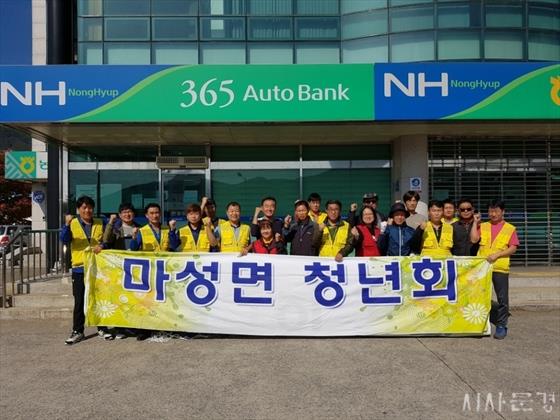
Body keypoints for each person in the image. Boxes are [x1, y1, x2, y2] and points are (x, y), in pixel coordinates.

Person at [470, 199, 519, 340]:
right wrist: (475, 223)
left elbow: (513, 248)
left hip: (500, 268)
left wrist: (498, 255)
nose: (493, 214)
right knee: (478, 295)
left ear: (502, 212)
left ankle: (501, 325)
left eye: (496, 211)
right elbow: (473, 240)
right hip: (483, 267)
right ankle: (478, 322)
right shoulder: (483, 226)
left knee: (502, 299)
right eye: (491, 211)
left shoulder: (510, 228)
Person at [60, 196, 105, 345]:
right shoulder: (72, 223)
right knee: (79, 301)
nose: (87, 210)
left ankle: (102, 327)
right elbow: (64, 239)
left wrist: (102, 246)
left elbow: (108, 238)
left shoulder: (100, 222)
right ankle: (78, 331)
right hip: (79, 268)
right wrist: (66, 225)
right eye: (84, 207)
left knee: (99, 299)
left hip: (98, 268)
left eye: (90, 207)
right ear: (78, 209)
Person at [102, 202, 141, 340]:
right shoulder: (116, 229)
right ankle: (120, 328)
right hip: (119, 269)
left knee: (134, 299)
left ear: (133, 213)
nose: (127, 214)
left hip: (135, 269)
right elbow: (106, 240)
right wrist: (110, 223)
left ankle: (133, 327)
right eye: (124, 212)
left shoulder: (140, 228)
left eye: (129, 211)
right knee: (119, 298)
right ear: (119, 215)